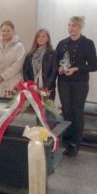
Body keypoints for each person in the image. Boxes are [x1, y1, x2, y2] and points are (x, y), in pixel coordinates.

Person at [56, 16, 97, 156]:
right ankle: (66, 141)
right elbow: (56, 62)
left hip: (80, 83)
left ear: (80, 27)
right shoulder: (62, 43)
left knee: (77, 111)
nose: (70, 28)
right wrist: (60, 69)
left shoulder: (88, 43)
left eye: (73, 25)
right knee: (66, 111)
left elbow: (93, 65)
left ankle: (75, 143)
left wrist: (76, 69)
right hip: (63, 82)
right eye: (69, 25)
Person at [0, 21, 25, 97]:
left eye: (8, 30)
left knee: (9, 106)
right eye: (3, 31)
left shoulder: (19, 47)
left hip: (11, 82)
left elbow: (17, 65)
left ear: (13, 31)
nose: (5, 33)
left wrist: (3, 76)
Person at [23, 29, 57, 100]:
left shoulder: (52, 54)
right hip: (32, 89)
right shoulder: (30, 55)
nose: (41, 38)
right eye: (38, 37)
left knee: (46, 110)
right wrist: (30, 86)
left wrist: (45, 87)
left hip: (47, 89)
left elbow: (54, 72)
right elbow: (25, 72)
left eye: (43, 36)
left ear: (48, 39)